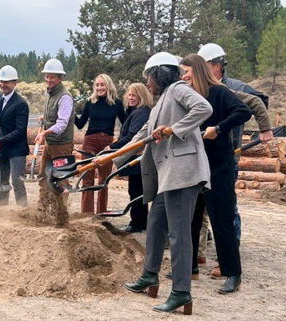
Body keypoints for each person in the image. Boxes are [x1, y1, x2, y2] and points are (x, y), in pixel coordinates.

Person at [117, 52, 212, 314]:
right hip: (167, 176)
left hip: (184, 173)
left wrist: (174, 129)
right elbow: (144, 133)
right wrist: (112, 158)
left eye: (149, 77)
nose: (147, 83)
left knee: (179, 234)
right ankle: (149, 275)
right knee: (155, 224)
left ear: (160, 73)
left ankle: (181, 292)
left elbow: (204, 108)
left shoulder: (179, 89)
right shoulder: (161, 101)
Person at [198, 43, 273, 277]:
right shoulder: (200, 88)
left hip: (228, 154)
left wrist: (265, 129)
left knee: (227, 209)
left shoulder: (234, 88)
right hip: (204, 156)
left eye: (205, 66)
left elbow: (259, 102)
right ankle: (198, 252)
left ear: (217, 65)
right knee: (199, 208)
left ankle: (229, 256)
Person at [180, 54, 252, 293]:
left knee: (221, 220)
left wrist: (218, 129)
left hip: (219, 166)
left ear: (199, 71)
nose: (184, 76)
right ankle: (189, 268)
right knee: (191, 217)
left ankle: (233, 273)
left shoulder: (219, 92)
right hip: (194, 164)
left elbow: (243, 112)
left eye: (187, 72)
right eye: (182, 72)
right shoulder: (188, 95)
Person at [74, 74, 126, 214]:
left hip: (107, 143)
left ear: (108, 86)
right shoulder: (90, 102)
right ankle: (87, 214)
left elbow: (126, 123)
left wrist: (121, 140)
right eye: (97, 85)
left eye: (102, 85)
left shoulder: (117, 103)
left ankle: (101, 213)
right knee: (87, 178)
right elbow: (80, 124)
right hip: (90, 141)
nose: (99, 87)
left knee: (104, 179)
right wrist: (70, 112)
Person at [109, 83, 151, 232]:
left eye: (134, 95)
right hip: (135, 158)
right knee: (136, 190)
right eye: (130, 95)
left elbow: (132, 137)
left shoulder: (141, 113)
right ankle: (140, 221)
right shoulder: (136, 111)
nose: (131, 98)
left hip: (137, 158)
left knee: (136, 191)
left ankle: (137, 223)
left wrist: (112, 147)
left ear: (142, 96)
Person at [0, 65, 29, 206]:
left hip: (16, 148)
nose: (3, 85)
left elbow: (20, 130)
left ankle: (22, 211)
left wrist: (1, 141)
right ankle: (2, 210)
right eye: (1, 82)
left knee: (17, 181)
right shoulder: (0, 96)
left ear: (15, 83)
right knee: (1, 180)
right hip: (2, 147)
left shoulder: (21, 104)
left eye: (7, 82)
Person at [35, 58, 75, 204]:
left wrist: (44, 133)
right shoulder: (49, 93)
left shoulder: (65, 97)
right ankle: (43, 210)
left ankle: (61, 213)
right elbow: (52, 114)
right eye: (47, 76)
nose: (48, 79)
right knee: (43, 177)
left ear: (60, 78)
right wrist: (44, 118)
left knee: (60, 180)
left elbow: (62, 124)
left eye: (52, 76)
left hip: (62, 146)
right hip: (50, 144)